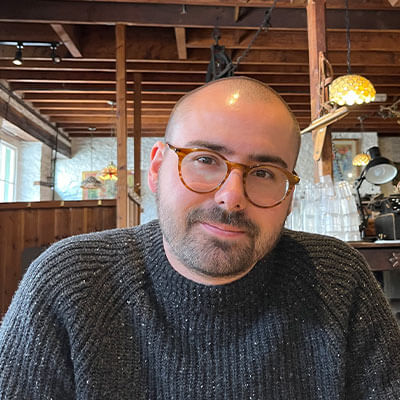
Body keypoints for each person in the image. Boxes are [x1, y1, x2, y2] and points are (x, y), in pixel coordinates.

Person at [0, 76, 399, 399]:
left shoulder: (335, 279)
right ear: (157, 169)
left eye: (263, 173)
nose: (232, 197)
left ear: (289, 195)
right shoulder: (70, 283)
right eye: (206, 160)